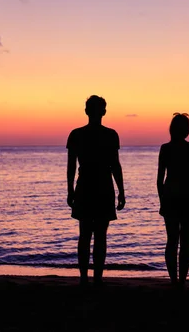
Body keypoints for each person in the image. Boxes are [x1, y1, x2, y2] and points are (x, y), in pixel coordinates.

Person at [66, 95, 125, 286]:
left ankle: (85, 277)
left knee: (86, 234)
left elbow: (71, 167)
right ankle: (95, 277)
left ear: (86, 111)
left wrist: (70, 190)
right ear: (103, 112)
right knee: (99, 235)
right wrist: (121, 191)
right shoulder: (110, 135)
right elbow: (115, 166)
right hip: (101, 187)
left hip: (86, 187)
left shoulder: (77, 134)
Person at [157, 113, 189, 288]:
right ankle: (182, 281)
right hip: (188, 197)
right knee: (185, 241)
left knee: (172, 240)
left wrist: (161, 199)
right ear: (187, 130)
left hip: (171, 197)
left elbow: (159, 179)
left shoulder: (166, 148)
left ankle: (174, 281)